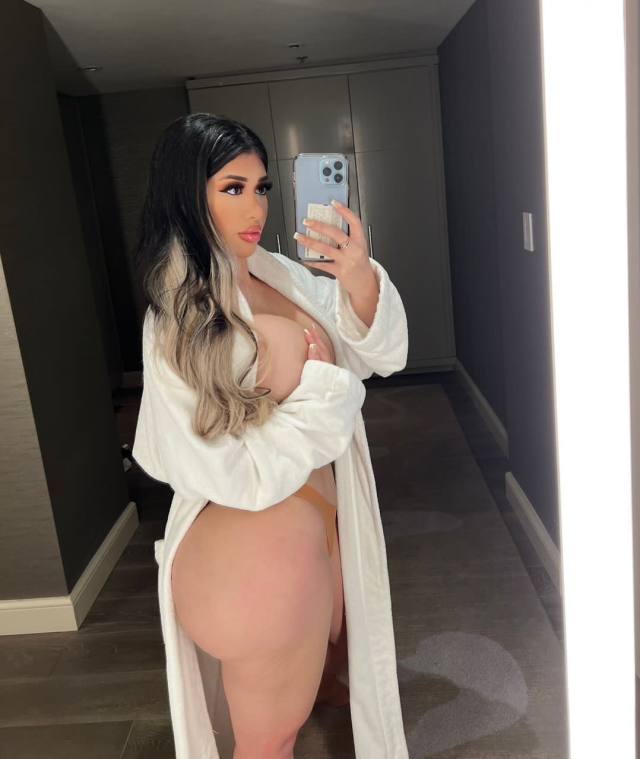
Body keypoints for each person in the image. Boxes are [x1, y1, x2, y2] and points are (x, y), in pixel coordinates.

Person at [132, 113, 410, 759]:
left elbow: (378, 354)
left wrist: (357, 278)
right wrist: (323, 393)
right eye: (232, 188)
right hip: (255, 550)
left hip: (320, 520)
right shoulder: (181, 316)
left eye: (262, 187)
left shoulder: (274, 272)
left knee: (338, 681)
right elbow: (224, 469)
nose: (254, 207)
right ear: (186, 193)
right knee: (268, 743)